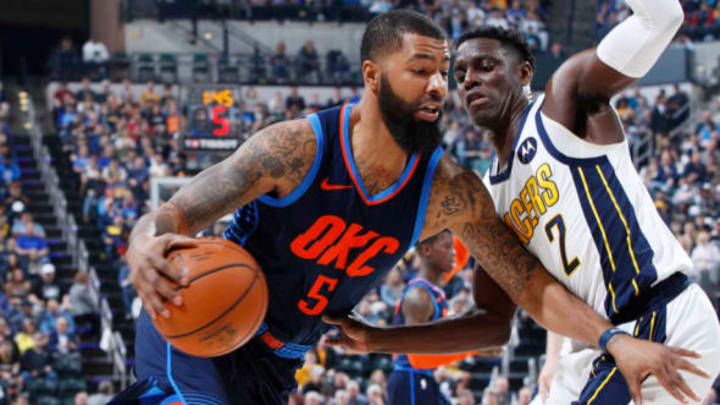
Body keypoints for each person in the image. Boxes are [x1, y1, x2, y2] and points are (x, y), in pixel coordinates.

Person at [111, 10, 703, 405]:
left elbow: (529, 290)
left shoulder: (451, 191)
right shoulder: (293, 147)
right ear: (372, 76)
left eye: (443, 73)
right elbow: (175, 215)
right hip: (197, 323)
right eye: (422, 70)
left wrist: (610, 340)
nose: (441, 86)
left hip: (277, 364)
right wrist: (143, 244)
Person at [329, 3, 720, 405]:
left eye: (485, 66)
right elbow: (493, 323)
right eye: (460, 75)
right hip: (600, 343)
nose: (469, 81)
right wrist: (376, 339)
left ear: (524, 73)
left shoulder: (563, 104)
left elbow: (662, 19)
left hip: (661, 316)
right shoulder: (488, 194)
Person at [386, 230, 504, 405]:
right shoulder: (419, 297)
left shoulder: (434, 284)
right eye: (447, 247)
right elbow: (418, 359)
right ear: (427, 251)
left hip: (423, 378)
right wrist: (475, 349)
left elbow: (462, 257)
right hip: (410, 380)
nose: (453, 252)